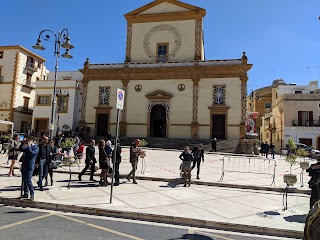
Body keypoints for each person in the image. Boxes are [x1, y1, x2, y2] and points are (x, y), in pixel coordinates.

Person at [19, 135, 39, 201]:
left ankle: (32, 194)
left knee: (28, 180)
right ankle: (26, 193)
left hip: (30, 166)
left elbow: (31, 153)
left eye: (28, 140)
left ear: (32, 141)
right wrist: (23, 143)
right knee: (24, 180)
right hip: (24, 165)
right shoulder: (27, 146)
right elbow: (21, 149)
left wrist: (29, 146)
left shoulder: (36, 147)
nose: (27, 142)